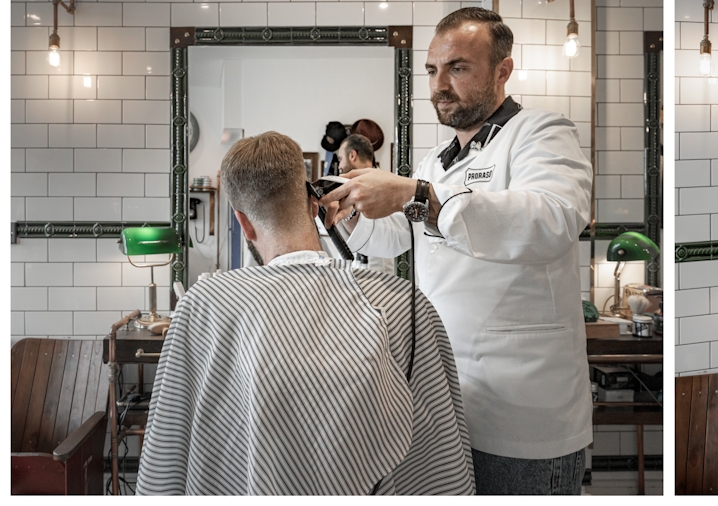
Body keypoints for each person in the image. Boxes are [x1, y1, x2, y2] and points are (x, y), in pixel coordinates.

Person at [319, 7, 593, 495]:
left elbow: (555, 218)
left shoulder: (542, 133)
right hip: (448, 402)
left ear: (502, 70)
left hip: (524, 410)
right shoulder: (436, 160)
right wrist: (350, 211)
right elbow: (400, 236)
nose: (439, 84)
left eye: (458, 67)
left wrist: (415, 196)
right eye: (431, 70)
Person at [137, 132, 473, 495]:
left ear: (243, 222)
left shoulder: (205, 304)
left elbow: (166, 456)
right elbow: (439, 463)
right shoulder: (401, 303)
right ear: (314, 206)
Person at [329, 134, 397, 276]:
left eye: (340, 159)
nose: (340, 166)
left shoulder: (386, 186)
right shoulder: (345, 188)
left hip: (376, 275)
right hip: (349, 274)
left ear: (352, 155)